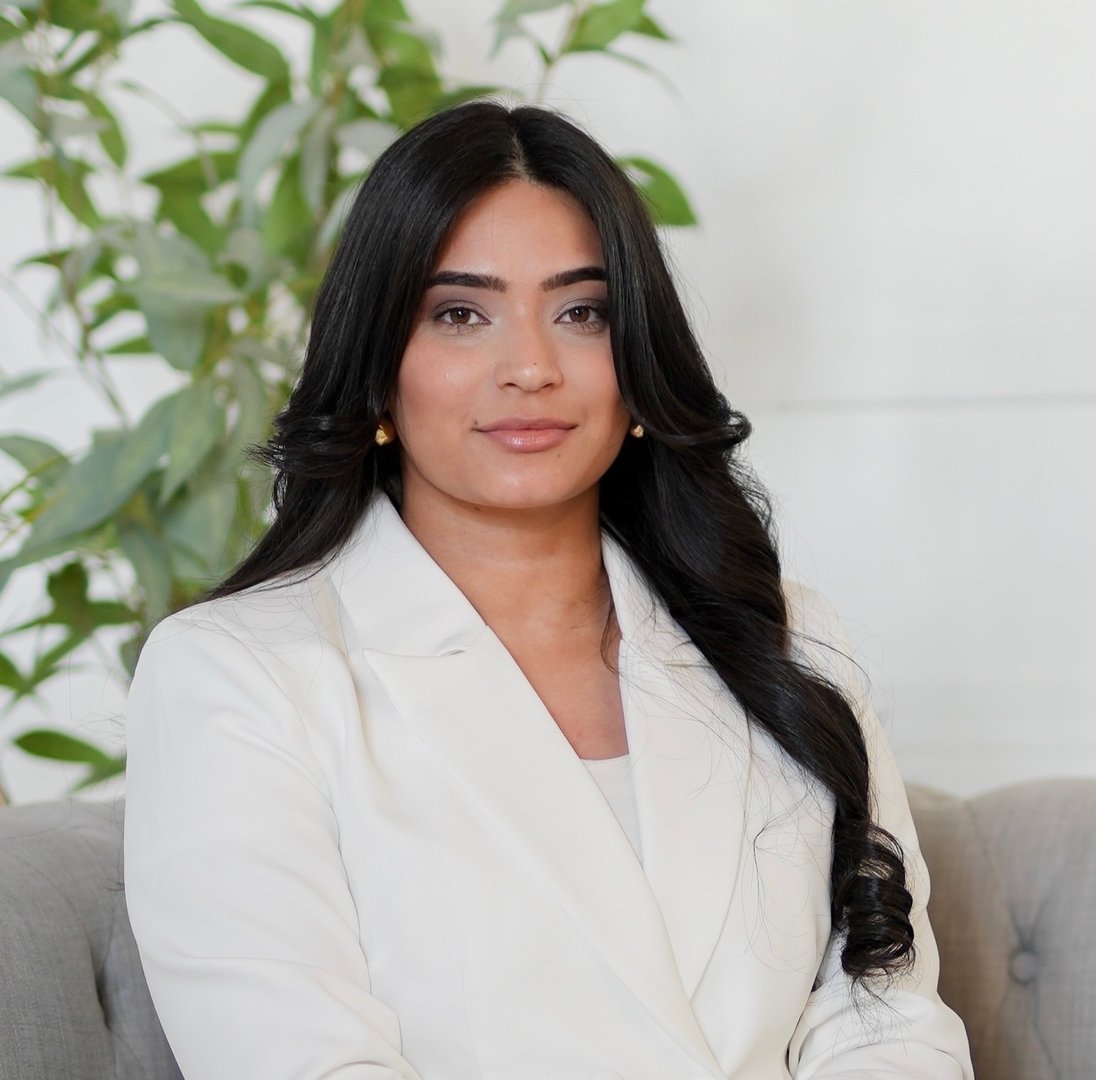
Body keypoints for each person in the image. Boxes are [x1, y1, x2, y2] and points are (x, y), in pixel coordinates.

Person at [123, 101, 974, 1079]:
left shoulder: (780, 638)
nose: (529, 367)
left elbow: (886, 1021)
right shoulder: (237, 677)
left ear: (638, 358)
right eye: (459, 314)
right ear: (377, 370)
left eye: (581, 312)